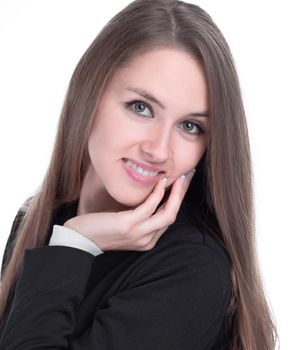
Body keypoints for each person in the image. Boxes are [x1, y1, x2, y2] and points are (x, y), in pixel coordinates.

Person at [0, 0, 278, 349]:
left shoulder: (193, 271)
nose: (160, 149)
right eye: (141, 107)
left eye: (190, 126)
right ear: (88, 95)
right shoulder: (39, 220)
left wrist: (73, 244)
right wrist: (75, 240)